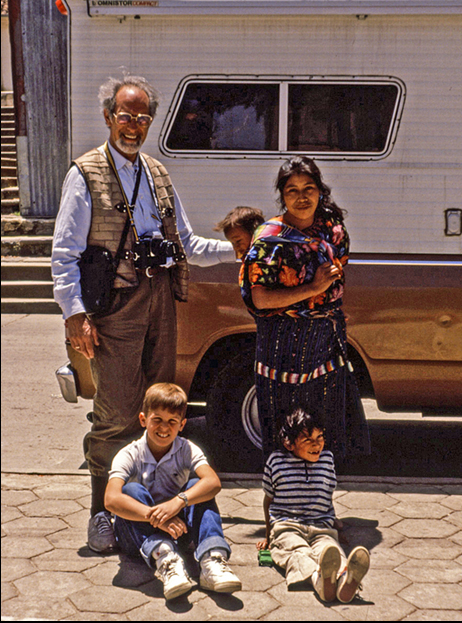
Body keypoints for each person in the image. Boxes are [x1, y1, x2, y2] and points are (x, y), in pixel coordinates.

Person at [51, 74, 236, 553]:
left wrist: (239, 247)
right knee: (114, 413)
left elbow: (187, 244)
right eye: (125, 115)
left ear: (150, 122)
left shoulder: (157, 173)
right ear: (109, 116)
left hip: (160, 300)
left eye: (142, 117)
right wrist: (75, 315)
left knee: (157, 408)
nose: (133, 125)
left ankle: (146, 506)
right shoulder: (85, 172)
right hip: (113, 307)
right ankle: (101, 511)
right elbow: (64, 253)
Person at [239, 156, 370, 462]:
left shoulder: (333, 232)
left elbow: (336, 279)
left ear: (320, 192)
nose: (302, 197)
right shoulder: (269, 239)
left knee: (325, 431)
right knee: (284, 430)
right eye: (292, 190)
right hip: (281, 343)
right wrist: (312, 289)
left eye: (308, 188)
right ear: (282, 197)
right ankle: (280, 503)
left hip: (325, 342)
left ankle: (319, 500)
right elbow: (260, 299)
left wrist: (329, 305)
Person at [105, 383, 242, 600]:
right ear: (143, 420)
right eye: (156, 419)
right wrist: (157, 519)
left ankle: (211, 559)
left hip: (177, 528)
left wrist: (178, 502)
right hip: (135, 533)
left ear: (182, 425)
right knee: (131, 489)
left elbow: (213, 482)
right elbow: (111, 499)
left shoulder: (187, 448)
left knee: (197, 486)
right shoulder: (129, 453)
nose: (164, 428)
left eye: (172, 422)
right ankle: (166, 561)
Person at [256, 408, 370, 602]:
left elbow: (327, 495)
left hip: (321, 527)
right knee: (298, 553)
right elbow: (268, 501)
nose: (317, 444)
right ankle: (319, 580)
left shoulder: (327, 460)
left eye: (320, 437)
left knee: (330, 549)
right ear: (289, 444)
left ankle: (345, 581)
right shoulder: (276, 462)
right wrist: (268, 536)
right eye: (308, 440)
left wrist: (334, 523)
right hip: (287, 526)